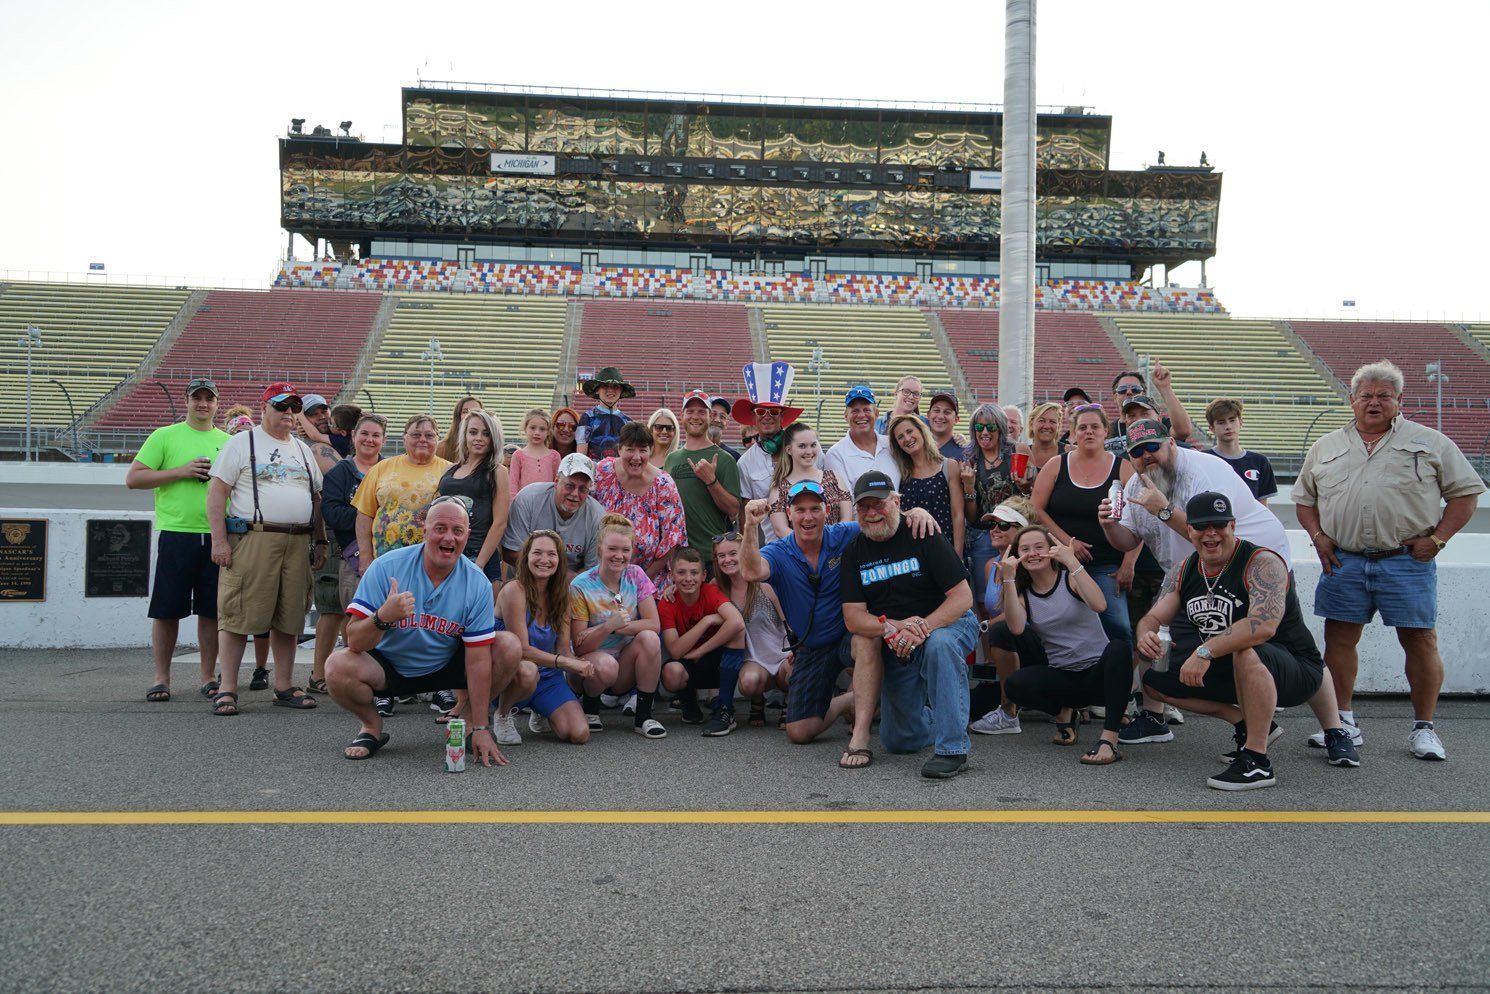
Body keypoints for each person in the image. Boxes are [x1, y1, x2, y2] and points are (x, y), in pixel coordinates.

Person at [1293, 360, 1483, 760]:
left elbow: (1465, 495)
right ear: (1352, 400)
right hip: (1344, 560)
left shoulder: (1430, 442)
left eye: (1383, 396)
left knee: (1419, 639)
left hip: (1406, 561)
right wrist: (1317, 537)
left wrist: (1438, 539)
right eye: (1366, 396)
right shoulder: (1325, 446)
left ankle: (1424, 729)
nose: (1374, 403)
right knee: (1339, 639)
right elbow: (1305, 501)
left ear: (1399, 400)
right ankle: (1342, 722)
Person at [1136, 493, 1351, 789]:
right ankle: (1244, 723)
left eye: (1219, 525)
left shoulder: (1261, 562)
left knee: (1247, 650)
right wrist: (1145, 634)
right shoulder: (1185, 569)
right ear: (1190, 530)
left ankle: (1257, 761)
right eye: (1202, 526)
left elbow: (1262, 626)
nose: (1211, 534)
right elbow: (1153, 618)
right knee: (1151, 677)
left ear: (1233, 526)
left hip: (1295, 671)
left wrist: (1204, 651)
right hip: (1229, 667)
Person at [741, 480, 945, 769]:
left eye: (815, 509)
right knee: (799, 732)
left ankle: (860, 737)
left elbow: (880, 516)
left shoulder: (845, 534)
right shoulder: (779, 551)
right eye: (800, 510)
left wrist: (916, 511)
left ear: (828, 512)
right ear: (789, 513)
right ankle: (848, 701)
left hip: (849, 635)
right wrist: (750, 526)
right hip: (813, 646)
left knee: (866, 637)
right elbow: (751, 571)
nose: (808, 517)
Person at [328, 497, 524, 764]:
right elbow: (353, 640)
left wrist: (481, 727)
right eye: (440, 528)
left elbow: (478, 659)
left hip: (446, 665)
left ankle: (467, 722)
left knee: (509, 645)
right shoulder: (387, 567)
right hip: (390, 667)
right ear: (424, 530)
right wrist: (383, 617)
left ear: (467, 536)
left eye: (457, 531)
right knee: (337, 665)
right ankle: (371, 726)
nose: (449, 538)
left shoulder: (476, 582)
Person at [839, 471, 980, 779]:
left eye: (880, 504)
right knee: (900, 740)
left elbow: (962, 598)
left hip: (946, 622)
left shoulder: (923, 532)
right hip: (898, 637)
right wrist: (895, 627)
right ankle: (946, 713)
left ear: (897, 501)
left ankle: (952, 749)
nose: (872, 513)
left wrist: (921, 628)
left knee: (940, 645)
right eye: (864, 506)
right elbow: (853, 616)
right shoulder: (854, 552)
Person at [205, 381, 327, 716]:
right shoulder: (242, 443)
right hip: (254, 537)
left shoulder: (303, 449)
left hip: (298, 540)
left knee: (290, 616)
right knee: (237, 613)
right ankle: (227, 687)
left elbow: (316, 499)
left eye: (292, 407)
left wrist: (320, 540)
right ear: (264, 408)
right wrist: (218, 541)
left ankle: (284, 685)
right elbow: (217, 494)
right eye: (280, 406)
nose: (288, 413)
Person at [127, 377, 229, 702]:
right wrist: (181, 471)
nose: (203, 404)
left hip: (217, 535)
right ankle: (161, 678)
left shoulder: (228, 441)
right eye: (197, 398)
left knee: (211, 611)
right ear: (187, 401)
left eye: (208, 398)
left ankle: (209, 677)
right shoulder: (164, 436)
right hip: (177, 534)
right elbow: (134, 478)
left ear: (217, 403)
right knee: (167, 610)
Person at [997, 526, 1134, 766]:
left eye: (1039, 547)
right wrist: (1008, 577)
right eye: (1025, 549)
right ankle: (1064, 712)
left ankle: (1109, 740)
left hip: (1099, 676)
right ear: (1017, 555)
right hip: (1066, 678)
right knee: (1015, 685)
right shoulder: (1024, 594)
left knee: (1120, 648)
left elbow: (1100, 605)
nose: (1033, 553)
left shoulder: (1070, 578)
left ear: (1051, 550)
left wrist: (1073, 563)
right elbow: (1016, 628)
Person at [1031, 403, 1137, 643]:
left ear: (1105, 431)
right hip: (1061, 563)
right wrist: (1069, 543)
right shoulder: (1057, 464)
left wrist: (1128, 564)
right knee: (1058, 625)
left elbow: (1140, 522)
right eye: (1082, 428)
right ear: (1073, 432)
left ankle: (1121, 678)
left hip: (1107, 565)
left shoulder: (1124, 468)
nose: (1089, 432)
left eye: (1095, 427)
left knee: (1118, 626)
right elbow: (1036, 510)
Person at [492, 530, 603, 746]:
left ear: (560, 560)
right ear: (526, 557)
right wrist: (564, 662)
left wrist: (580, 665)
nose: (544, 560)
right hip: (511, 675)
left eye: (551, 554)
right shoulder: (514, 590)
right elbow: (522, 650)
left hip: (547, 676)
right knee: (528, 670)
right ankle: (503, 714)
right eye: (537, 553)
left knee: (579, 733)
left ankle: (540, 709)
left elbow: (563, 648)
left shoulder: (563, 594)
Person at [571, 514, 668, 737]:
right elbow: (579, 646)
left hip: (624, 662)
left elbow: (653, 624)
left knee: (650, 639)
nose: (619, 556)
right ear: (599, 549)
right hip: (590, 666)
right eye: (612, 549)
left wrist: (616, 627)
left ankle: (643, 717)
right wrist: (606, 627)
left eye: (625, 550)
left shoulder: (636, 575)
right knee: (605, 665)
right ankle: (590, 709)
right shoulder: (581, 585)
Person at [312, 412, 386, 695]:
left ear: (383, 440)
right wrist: (369, 514)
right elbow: (332, 513)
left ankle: (381, 675)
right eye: (364, 433)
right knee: (343, 614)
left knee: (382, 618)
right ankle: (335, 675)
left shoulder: (390, 469)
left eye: (375, 435)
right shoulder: (341, 472)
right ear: (354, 436)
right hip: (346, 552)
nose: (369, 439)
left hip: (384, 554)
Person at [658, 547, 747, 735]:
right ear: (672, 575)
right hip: (687, 663)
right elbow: (674, 651)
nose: (688, 578)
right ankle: (689, 705)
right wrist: (707, 621)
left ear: (704, 575)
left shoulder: (710, 592)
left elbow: (737, 622)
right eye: (681, 573)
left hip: (716, 662)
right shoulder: (667, 602)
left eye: (694, 573)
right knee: (671, 672)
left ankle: (725, 708)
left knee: (735, 631)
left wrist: (700, 651)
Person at [712, 530, 792, 727]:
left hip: (781, 654)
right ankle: (757, 700)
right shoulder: (717, 587)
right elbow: (693, 592)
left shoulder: (764, 584)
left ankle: (789, 703)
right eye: (721, 556)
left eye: (733, 553)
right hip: (753, 659)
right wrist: (672, 589)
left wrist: (796, 650)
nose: (727, 560)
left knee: (796, 672)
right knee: (748, 683)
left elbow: (788, 623)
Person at [967, 499, 1033, 735]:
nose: (994, 530)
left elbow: (1018, 616)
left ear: (1021, 531)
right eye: (992, 525)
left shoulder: (1029, 564)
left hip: (1035, 648)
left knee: (1000, 629)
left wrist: (980, 627)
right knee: (971, 708)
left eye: (1003, 525)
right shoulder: (990, 566)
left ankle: (1009, 712)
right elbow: (988, 615)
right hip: (1007, 651)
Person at [592, 422, 687, 583]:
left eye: (643, 450)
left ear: (650, 451)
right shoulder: (603, 472)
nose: (636, 457)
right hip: (601, 574)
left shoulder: (663, 484)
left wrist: (640, 581)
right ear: (619, 449)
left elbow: (672, 540)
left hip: (650, 578)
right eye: (630, 449)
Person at [354, 414, 453, 567]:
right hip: (385, 561)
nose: (422, 439)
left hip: (433, 564)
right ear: (404, 438)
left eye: (429, 435)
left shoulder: (451, 472)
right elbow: (364, 515)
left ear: (437, 439)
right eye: (416, 434)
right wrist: (365, 556)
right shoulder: (381, 468)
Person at [960, 403, 1030, 609]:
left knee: (1024, 594)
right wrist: (970, 487)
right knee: (987, 599)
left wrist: (1025, 487)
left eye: (990, 428)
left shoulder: (1018, 450)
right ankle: (990, 637)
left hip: (1018, 532)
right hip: (985, 535)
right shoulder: (970, 459)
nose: (984, 432)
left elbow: (1034, 496)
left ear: (1000, 428)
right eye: (978, 427)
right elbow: (972, 517)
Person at [666, 390, 742, 573]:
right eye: (690, 411)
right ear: (682, 416)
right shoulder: (671, 459)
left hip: (712, 558)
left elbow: (733, 510)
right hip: (679, 559)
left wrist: (711, 481)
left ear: (710, 417)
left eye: (701, 412)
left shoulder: (724, 459)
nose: (695, 417)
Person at [436, 408, 512, 589]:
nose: (478, 438)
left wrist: (478, 564)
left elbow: (500, 523)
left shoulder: (497, 471)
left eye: (486, 434)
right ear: (464, 435)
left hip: (479, 555)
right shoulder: (449, 470)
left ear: (494, 438)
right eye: (473, 432)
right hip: (445, 552)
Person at [502, 453, 606, 575]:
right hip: (525, 578)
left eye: (583, 489)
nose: (574, 494)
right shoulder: (528, 499)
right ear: (556, 481)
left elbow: (592, 570)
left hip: (570, 587)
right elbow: (510, 552)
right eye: (569, 486)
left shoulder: (597, 517)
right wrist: (553, 574)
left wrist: (561, 583)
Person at [888, 413, 965, 557]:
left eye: (910, 431)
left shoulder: (948, 466)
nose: (907, 438)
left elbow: (958, 515)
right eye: (900, 437)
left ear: (921, 431)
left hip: (945, 548)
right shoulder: (899, 474)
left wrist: (958, 556)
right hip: (911, 553)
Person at [733, 361, 806, 506]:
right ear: (753, 418)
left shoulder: (806, 449)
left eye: (773, 412)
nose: (767, 417)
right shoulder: (745, 462)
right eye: (760, 411)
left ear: (782, 417)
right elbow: (745, 509)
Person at [768, 422, 853, 540]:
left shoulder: (834, 478)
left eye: (813, 445)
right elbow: (781, 530)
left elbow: (847, 520)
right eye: (802, 446)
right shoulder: (779, 487)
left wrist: (829, 544)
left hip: (835, 550)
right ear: (789, 449)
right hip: (799, 554)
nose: (809, 451)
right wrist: (810, 546)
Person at [823, 386, 899, 493]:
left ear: (876, 414)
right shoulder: (835, 454)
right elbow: (843, 500)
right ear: (846, 416)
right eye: (855, 411)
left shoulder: (893, 445)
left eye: (866, 410)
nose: (861, 415)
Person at [1205, 398, 1277, 504]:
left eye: (1232, 420)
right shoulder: (1204, 459)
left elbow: (1262, 508)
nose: (1228, 427)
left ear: (1241, 423)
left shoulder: (1260, 462)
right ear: (1211, 428)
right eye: (1221, 422)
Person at [1108, 366, 1194, 452]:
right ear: (1115, 397)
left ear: (1144, 394)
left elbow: (1184, 431)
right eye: (1122, 389)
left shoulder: (1158, 423)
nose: (1129, 392)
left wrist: (1165, 388)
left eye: (1135, 389)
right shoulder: (1107, 431)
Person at [576, 367, 634, 460]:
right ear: (597, 390)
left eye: (615, 386)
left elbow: (631, 453)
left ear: (621, 391)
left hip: (621, 472)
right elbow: (580, 455)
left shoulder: (628, 422)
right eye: (605, 386)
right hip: (594, 472)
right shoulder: (588, 417)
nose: (610, 390)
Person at [510, 408, 560, 495]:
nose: (537, 432)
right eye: (533, 428)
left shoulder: (554, 456)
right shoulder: (518, 455)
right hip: (524, 505)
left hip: (547, 504)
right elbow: (513, 485)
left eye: (542, 429)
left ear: (548, 431)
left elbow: (558, 484)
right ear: (525, 428)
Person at [295, 395, 341, 474]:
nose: (322, 417)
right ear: (303, 419)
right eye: (313, 414)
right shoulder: (301, 448)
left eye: (324, 412)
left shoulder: (343, 432)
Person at [435, 396, 483, 462]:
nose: (470, 415)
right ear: (458, 416)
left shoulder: (487, 448)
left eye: (476, 412)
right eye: (465, 412)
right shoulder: (441, 448)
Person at [926, 392, 965, 461]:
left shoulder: (963, 454)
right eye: (936, 410)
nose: (940, 416)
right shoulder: (917, 446)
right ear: (928, 415)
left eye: (947, 412)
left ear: (956, 419)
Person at [1027, 401, 1064, 470]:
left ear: (1058, 426)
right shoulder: (1022, 454)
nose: (1047, 426)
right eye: (1042, 420)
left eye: (1052, 421)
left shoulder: (1070, 453)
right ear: (1031, 424)